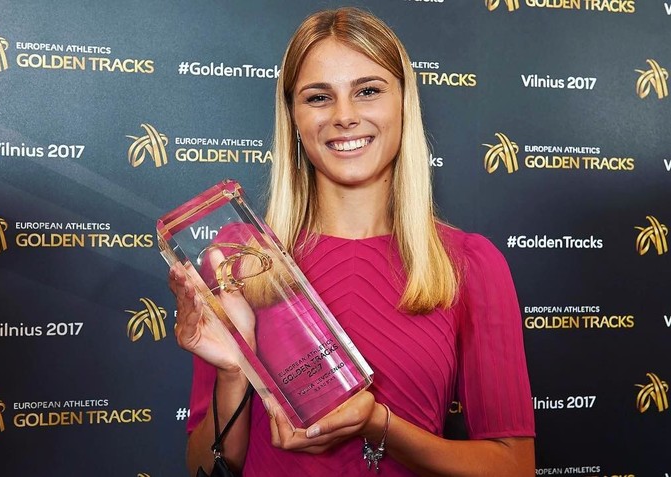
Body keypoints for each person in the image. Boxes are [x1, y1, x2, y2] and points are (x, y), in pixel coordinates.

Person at [169, 6, 535, 476]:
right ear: (294, 117)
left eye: (368, 91)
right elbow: (206, 466)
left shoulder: (468, 263)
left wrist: (378, 424)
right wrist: (234, 371)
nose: (344, 116)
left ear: (403, 103)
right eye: (319, 97)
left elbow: (514, 466)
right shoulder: (240, 259)